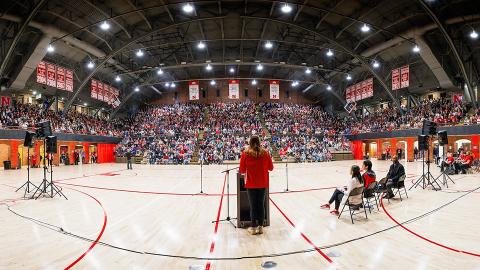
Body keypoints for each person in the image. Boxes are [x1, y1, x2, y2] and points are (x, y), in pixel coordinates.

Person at [239, 135, 274, 235]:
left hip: (251, 184)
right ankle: (261, 227)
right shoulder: (265, 153)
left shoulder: (245, 153)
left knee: (253, 206)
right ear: (259, 142)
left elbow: (241, 170)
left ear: (250, 142)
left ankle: (253, 228)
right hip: (263, 183)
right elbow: (271, 168)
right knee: (261, 205)